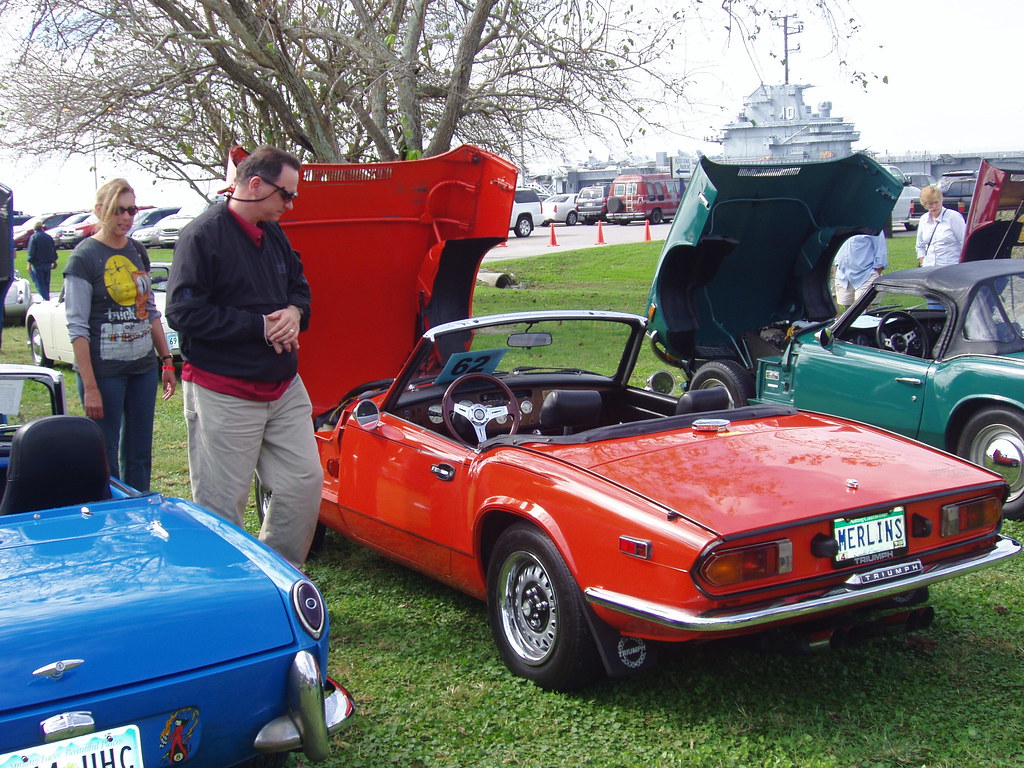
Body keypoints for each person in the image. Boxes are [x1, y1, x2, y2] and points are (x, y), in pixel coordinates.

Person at [165, 146, 319, 569]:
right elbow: (181, 312)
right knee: (221, 506)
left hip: (283, 387)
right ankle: (225, 593)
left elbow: (299, 288)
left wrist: (294, 311)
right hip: (224, 389)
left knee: (303, 484)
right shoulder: (202, 236)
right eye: (285, 195)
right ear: (254, 185)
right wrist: (259, 327)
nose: (290, 205)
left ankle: (277, 578)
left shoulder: (273, 234)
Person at [64, 179, 178, 492]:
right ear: (100, 211)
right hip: (104, 373)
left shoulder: (136, 249)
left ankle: (138, 510)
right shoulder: (84, 258)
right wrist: (90, 387)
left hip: (141, 368)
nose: (126, 217)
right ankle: (109, 515)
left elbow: (150, 311)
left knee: (139, 452)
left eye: (131, 210)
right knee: (105, 456)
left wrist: (166, 360)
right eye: (118, 210)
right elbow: (77, 328)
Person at [833, 231, 887, 311]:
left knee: (864, 309)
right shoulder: (841, 224)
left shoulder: (873, 225)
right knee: (848, 312)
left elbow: (881, 252)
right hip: (844, 277)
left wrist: (876, 273)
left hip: (866, 275)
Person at [916, 185, 966, 267]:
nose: (934, 206)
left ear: (941, 201)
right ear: (924, 204)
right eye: (930, 204)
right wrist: (922, 262)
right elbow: (920, 245)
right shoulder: (923, 219)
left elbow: (965, 242)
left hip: (950, 268)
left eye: (936, 202)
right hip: (928, 269)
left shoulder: (954, 217)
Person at [27, 220, 59, 300]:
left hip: (38, 264)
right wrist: (54, 261)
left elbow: (31, 252)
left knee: (39, 283)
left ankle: (45, 299)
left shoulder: (33, 237)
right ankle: (47, 298)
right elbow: (53, 250)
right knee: (46, 283)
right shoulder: (48, 237)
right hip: (48, 264)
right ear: (42, 228)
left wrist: (29, 264)